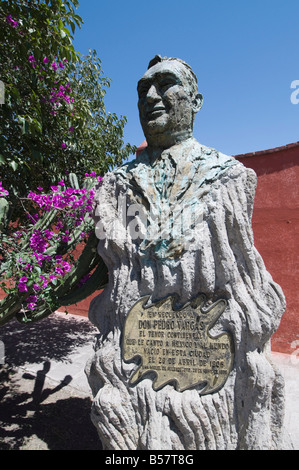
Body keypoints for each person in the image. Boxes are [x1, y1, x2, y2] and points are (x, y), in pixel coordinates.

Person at [87, 56, 287, 450]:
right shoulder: (118, 185)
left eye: (165, 84)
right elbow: (130, 253)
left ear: (195, 101)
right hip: (141, 343)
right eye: (143, 89)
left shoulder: (228, 175)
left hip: (208, 363)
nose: (151, 95)